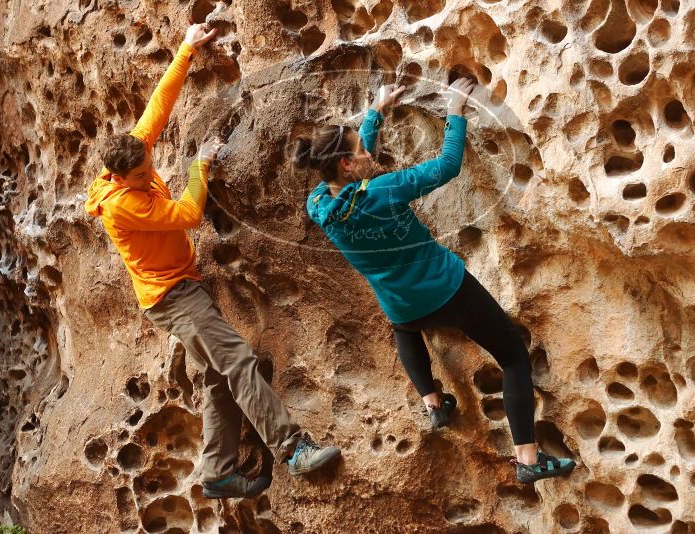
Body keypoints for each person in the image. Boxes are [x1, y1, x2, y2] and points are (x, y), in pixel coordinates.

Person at [84, 23, 340, 499]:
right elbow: (186, 213)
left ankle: (218, 472)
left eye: (149, 166)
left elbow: (157, 106)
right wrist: (198, 166)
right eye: (141, 175)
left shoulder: (132, 156)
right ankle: (293, 448)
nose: (149, 175)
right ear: (118, 176)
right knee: (240, 362)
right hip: (173, 297)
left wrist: (185, 48)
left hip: (181, 289)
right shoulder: (124, 203)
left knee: (219, 378)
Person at [300, 79, 575, 483]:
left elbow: (351, 176)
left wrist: (376, 113)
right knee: (514, 357)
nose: (367, 151)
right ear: (347, 163)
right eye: (361, 148)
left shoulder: (320, 207)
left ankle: (433, 402)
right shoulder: (385, 189)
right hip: (450, 291)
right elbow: (448, 166)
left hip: (403, 307)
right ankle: (529, 460)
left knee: (401, 326)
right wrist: (456, 111)